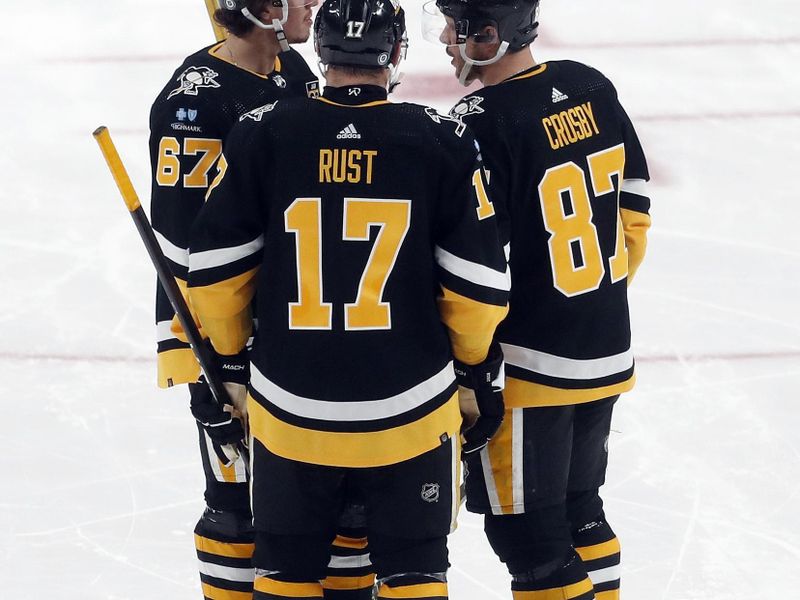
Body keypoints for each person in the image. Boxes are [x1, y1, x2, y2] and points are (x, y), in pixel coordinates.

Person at [184, 0, 511, 597]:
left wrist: (230, 362)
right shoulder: (440, 140)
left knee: (285, 573)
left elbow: (213, 272)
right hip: (410, 412)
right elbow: (477, 288)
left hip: (289, 411)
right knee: (415, 572)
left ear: (321, 53)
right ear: (393, 55)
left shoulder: (263, 131)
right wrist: (472, 371)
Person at [148, 2, 375, 599]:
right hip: (221, 339)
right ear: (263, 6)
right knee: (237, 509)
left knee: (336, 502)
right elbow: (185, 244)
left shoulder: (295, 72)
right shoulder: (193, 105)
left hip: (294, 330)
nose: (313, 7)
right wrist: (217, 365)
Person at [428, 0, 653, 598]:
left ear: (490, 34)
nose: (446, 38)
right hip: (603, 345)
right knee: (580, 510)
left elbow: (475, 261)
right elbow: (633, 208)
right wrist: (589, 299)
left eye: (457, 25)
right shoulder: (590, 86)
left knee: (530, 537)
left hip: (527, 370)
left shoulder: (476, 122)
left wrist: (470, 357)